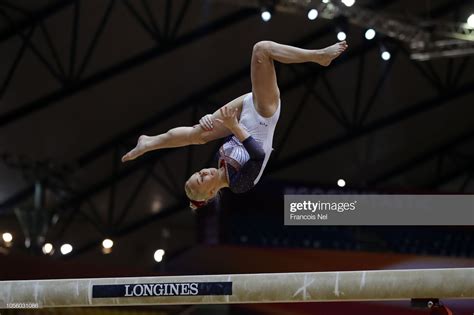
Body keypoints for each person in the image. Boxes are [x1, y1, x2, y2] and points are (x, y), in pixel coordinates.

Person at [121, 40, 348, 209]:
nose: (203, 171)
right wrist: (233, 126)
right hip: (263, 113)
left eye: (197, 172)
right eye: (202, 178)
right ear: (210, 192)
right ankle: (319, 56)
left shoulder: (220, 162)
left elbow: (227, 131)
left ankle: (149, 143)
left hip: (242, 114)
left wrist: (209, 118)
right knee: (262, 50)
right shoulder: (240, 185)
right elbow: (258, 155)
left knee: (198, 134)